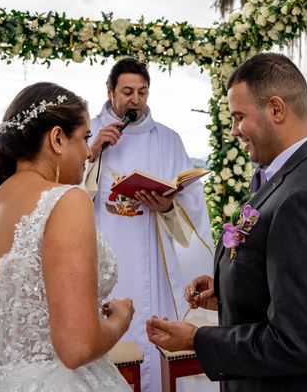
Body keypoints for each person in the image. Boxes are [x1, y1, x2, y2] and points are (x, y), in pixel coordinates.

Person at [146, 53, 307, 391]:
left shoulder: (304, 198)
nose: (234, 130)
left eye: (239, 117)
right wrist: (227, 290)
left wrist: (198, 339)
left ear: (276, 109)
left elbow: (299, 342)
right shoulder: (287, 173)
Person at [0, 82, 134, 391]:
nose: (87, 154)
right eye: (85, 137)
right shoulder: (65, 200)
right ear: (57, 139)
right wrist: (121, 318)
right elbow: (77, 348)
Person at [88, 58, 214, 392]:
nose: (136, 100)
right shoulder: (86, 132)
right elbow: (61, 191)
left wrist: (169, 205)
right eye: (127, 91)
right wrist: (91, 154)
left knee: (151, 332)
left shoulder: (168, 140)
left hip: (152, 261)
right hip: (100, 256)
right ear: (110, 91)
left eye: (142, 92)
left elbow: (193, 203)